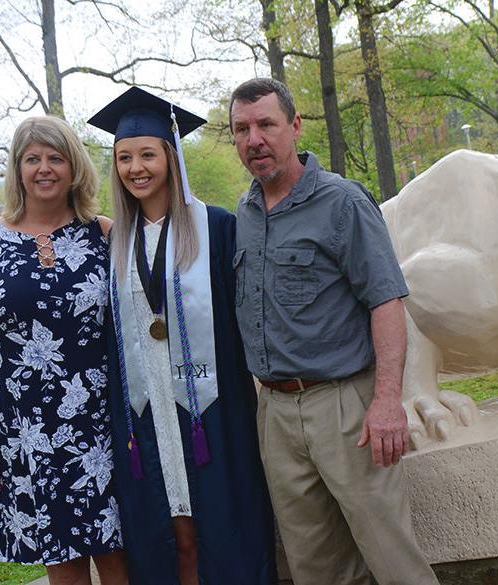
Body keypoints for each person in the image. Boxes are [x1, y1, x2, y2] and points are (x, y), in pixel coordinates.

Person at [230, 77, 440, 585]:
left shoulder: (342, 202)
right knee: (314, 565)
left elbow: (387, 302)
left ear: (295, 126)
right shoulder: (245, 212)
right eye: (241, 129)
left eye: (266, 124)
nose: (254, 139)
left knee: (392, 555)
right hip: (276, 414)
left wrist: (388, 401)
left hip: (346, 407)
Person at [87, 87, 276, 585]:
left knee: (221, 527)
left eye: (147, 154)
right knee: (172, 533)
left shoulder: (216, 227)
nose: (136, 168)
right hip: (147, 413)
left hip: (211, 407)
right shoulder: (113, 242)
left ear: (170, 157)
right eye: (124, 158)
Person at [0, 116, 127, 584]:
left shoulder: (106, 235)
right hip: (26, 434)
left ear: (74, 168)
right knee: (63, 565)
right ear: (18, 169)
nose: (44, 168)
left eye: (56, 158)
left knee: (121, 559)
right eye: (33, 159)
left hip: (101, 427)